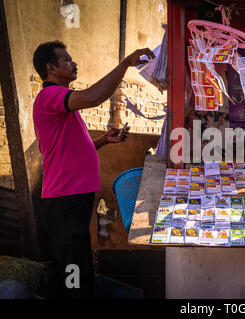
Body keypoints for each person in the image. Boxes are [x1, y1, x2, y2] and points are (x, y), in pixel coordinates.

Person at [32, 41, 154, 298]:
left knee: (74, 264)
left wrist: (102, 140)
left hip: (71, 201)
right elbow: (93, 96)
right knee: (73, 268)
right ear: (51, 68)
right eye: (66, 60)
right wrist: (125, 64)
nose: (73, 63)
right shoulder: (50, 96)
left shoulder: (61, 104)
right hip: (64, 201)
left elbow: (69, 151)